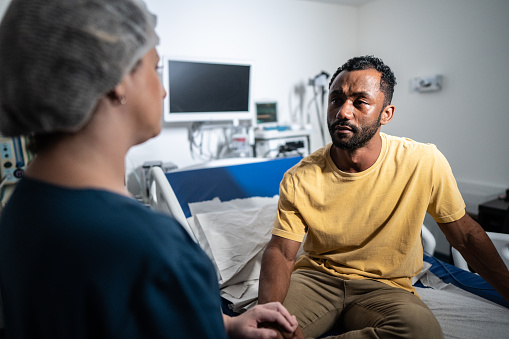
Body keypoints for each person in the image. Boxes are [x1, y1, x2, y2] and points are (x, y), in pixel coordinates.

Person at [0, 0, 299, 338]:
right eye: (155, 70)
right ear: (117, 78)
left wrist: (227, 324)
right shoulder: (151, 251)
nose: (164, 89)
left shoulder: (22, 209)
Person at [258, 55, 509, 338]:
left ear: (386, 114)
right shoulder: (299, 176)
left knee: (421, 333)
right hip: (317, 280)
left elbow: (465, 236)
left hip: (385, 286)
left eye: (359, 102)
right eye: (336, 100)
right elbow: (281, 251)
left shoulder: (423, 161)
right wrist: (267, 315)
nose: (343, 112)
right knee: (266, 332)